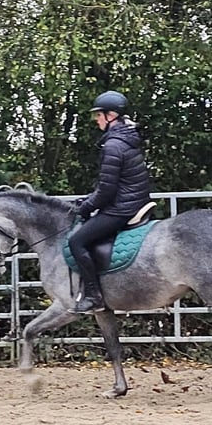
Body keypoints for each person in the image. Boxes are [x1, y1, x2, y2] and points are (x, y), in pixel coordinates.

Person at [67, 90, 152, 313]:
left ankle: (93, 296)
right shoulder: (127, 139)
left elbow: (107, 190)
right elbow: (111, 183)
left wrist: (86, 207)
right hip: (133, 200)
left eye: (99, 115)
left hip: (122, 207)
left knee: (76, 241)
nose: (96, 120)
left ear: (111, 115)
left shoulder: (113, 145)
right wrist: (89, 199)